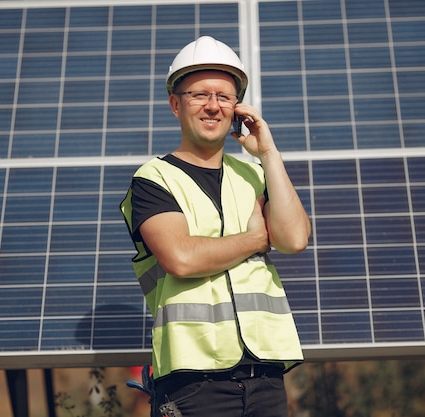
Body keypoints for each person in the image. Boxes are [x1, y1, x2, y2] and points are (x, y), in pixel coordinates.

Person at [120, 36, 311, 417]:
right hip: (194, 383)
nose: (213, 106)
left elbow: (293, 238)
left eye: (224, 97)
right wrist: (256, 238)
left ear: (237, 109)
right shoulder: (154, 179)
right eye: (199, 95)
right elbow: (181, 258)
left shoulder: (256, 174)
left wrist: (269, 155)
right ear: (176, 104)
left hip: (266, 375)